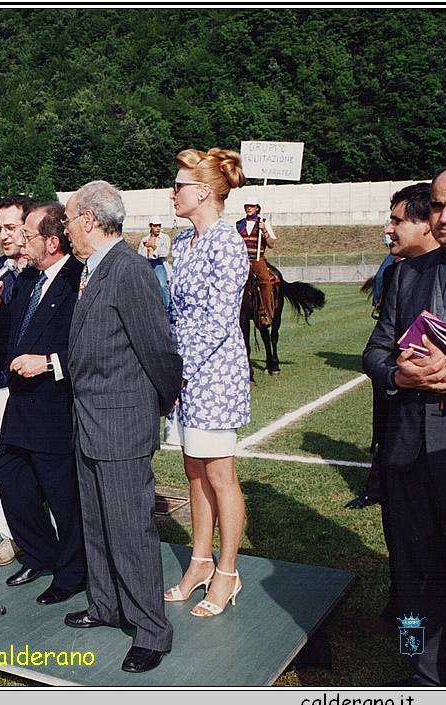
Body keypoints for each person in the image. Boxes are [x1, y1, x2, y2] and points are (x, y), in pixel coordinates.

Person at [62, 180, 182, 673]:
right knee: (97, 521)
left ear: (89, 219)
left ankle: (151, 629)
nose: (65, 230)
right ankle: (107, 605)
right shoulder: (94, 270)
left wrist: (154, 404)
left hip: (120, 424)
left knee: (130, 529)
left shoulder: (128, 270)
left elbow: (159, 349)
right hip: (90, 421)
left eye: (68, 220)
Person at [363, 163, 446, 687]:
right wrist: (399, 375)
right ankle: (415, 660)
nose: (445, 216)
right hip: (406, 450)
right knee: (410, 565)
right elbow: (376, 350)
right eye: (439, 205)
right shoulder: (407, 273)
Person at [0, 202, 87, 604]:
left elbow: (89, 346)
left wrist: (49, 363)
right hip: (20, 407)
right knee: (10, 480)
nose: (21, 241)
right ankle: (45, 554)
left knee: (62, 496)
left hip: (55, 406)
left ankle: (73, 571)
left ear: (53, 242)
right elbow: (11, 337)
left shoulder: (79, 281)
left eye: (28, 235)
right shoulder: (27, 280)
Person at [162, 148, 251, 625]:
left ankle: (227, 570)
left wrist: (179, 372)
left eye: (178, 186)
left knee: (220, 475)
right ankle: (199, 562)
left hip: (214, 375)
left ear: (202, 192)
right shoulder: (183, 241)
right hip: (185, 375)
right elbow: (176, 313)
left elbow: (218, 322)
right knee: (194, 470)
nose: (172, 192)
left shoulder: (227, 242)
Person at [348, 183, 437, 511]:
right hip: (402, 417)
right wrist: (396, 375)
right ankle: (377, 487)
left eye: (396, 221)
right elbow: (375, 350)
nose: (388, 230)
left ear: (426, 224)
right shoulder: (400, 274)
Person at [0, 194, 38, 567]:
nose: (4, 235)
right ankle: (10, 532)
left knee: (47, 463)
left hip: (45, 382)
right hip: (0, 379)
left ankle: (45, 530)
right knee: (7, 458)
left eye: (11, 227)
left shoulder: (47, 267)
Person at [237, 196, 277, 328]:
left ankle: (263, 312)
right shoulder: (239, 224)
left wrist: (264, 230)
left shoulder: (263, 222)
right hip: (242, 260)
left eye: (252, 206)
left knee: (265, 281)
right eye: (247, 205)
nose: (249, 208)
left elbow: (271, 244)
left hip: (257, 259)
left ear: (257, 208)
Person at [138, 216, 172, 309]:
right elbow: (140, 254)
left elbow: (165, 253)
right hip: (147, 264)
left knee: (162, 285)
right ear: (150, 226)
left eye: (159, 226)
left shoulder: (165, 238)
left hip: (159, 264)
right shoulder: (144, 239)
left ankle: (167, 307)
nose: (158, 228)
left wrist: (154, 247)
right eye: (155, 226)